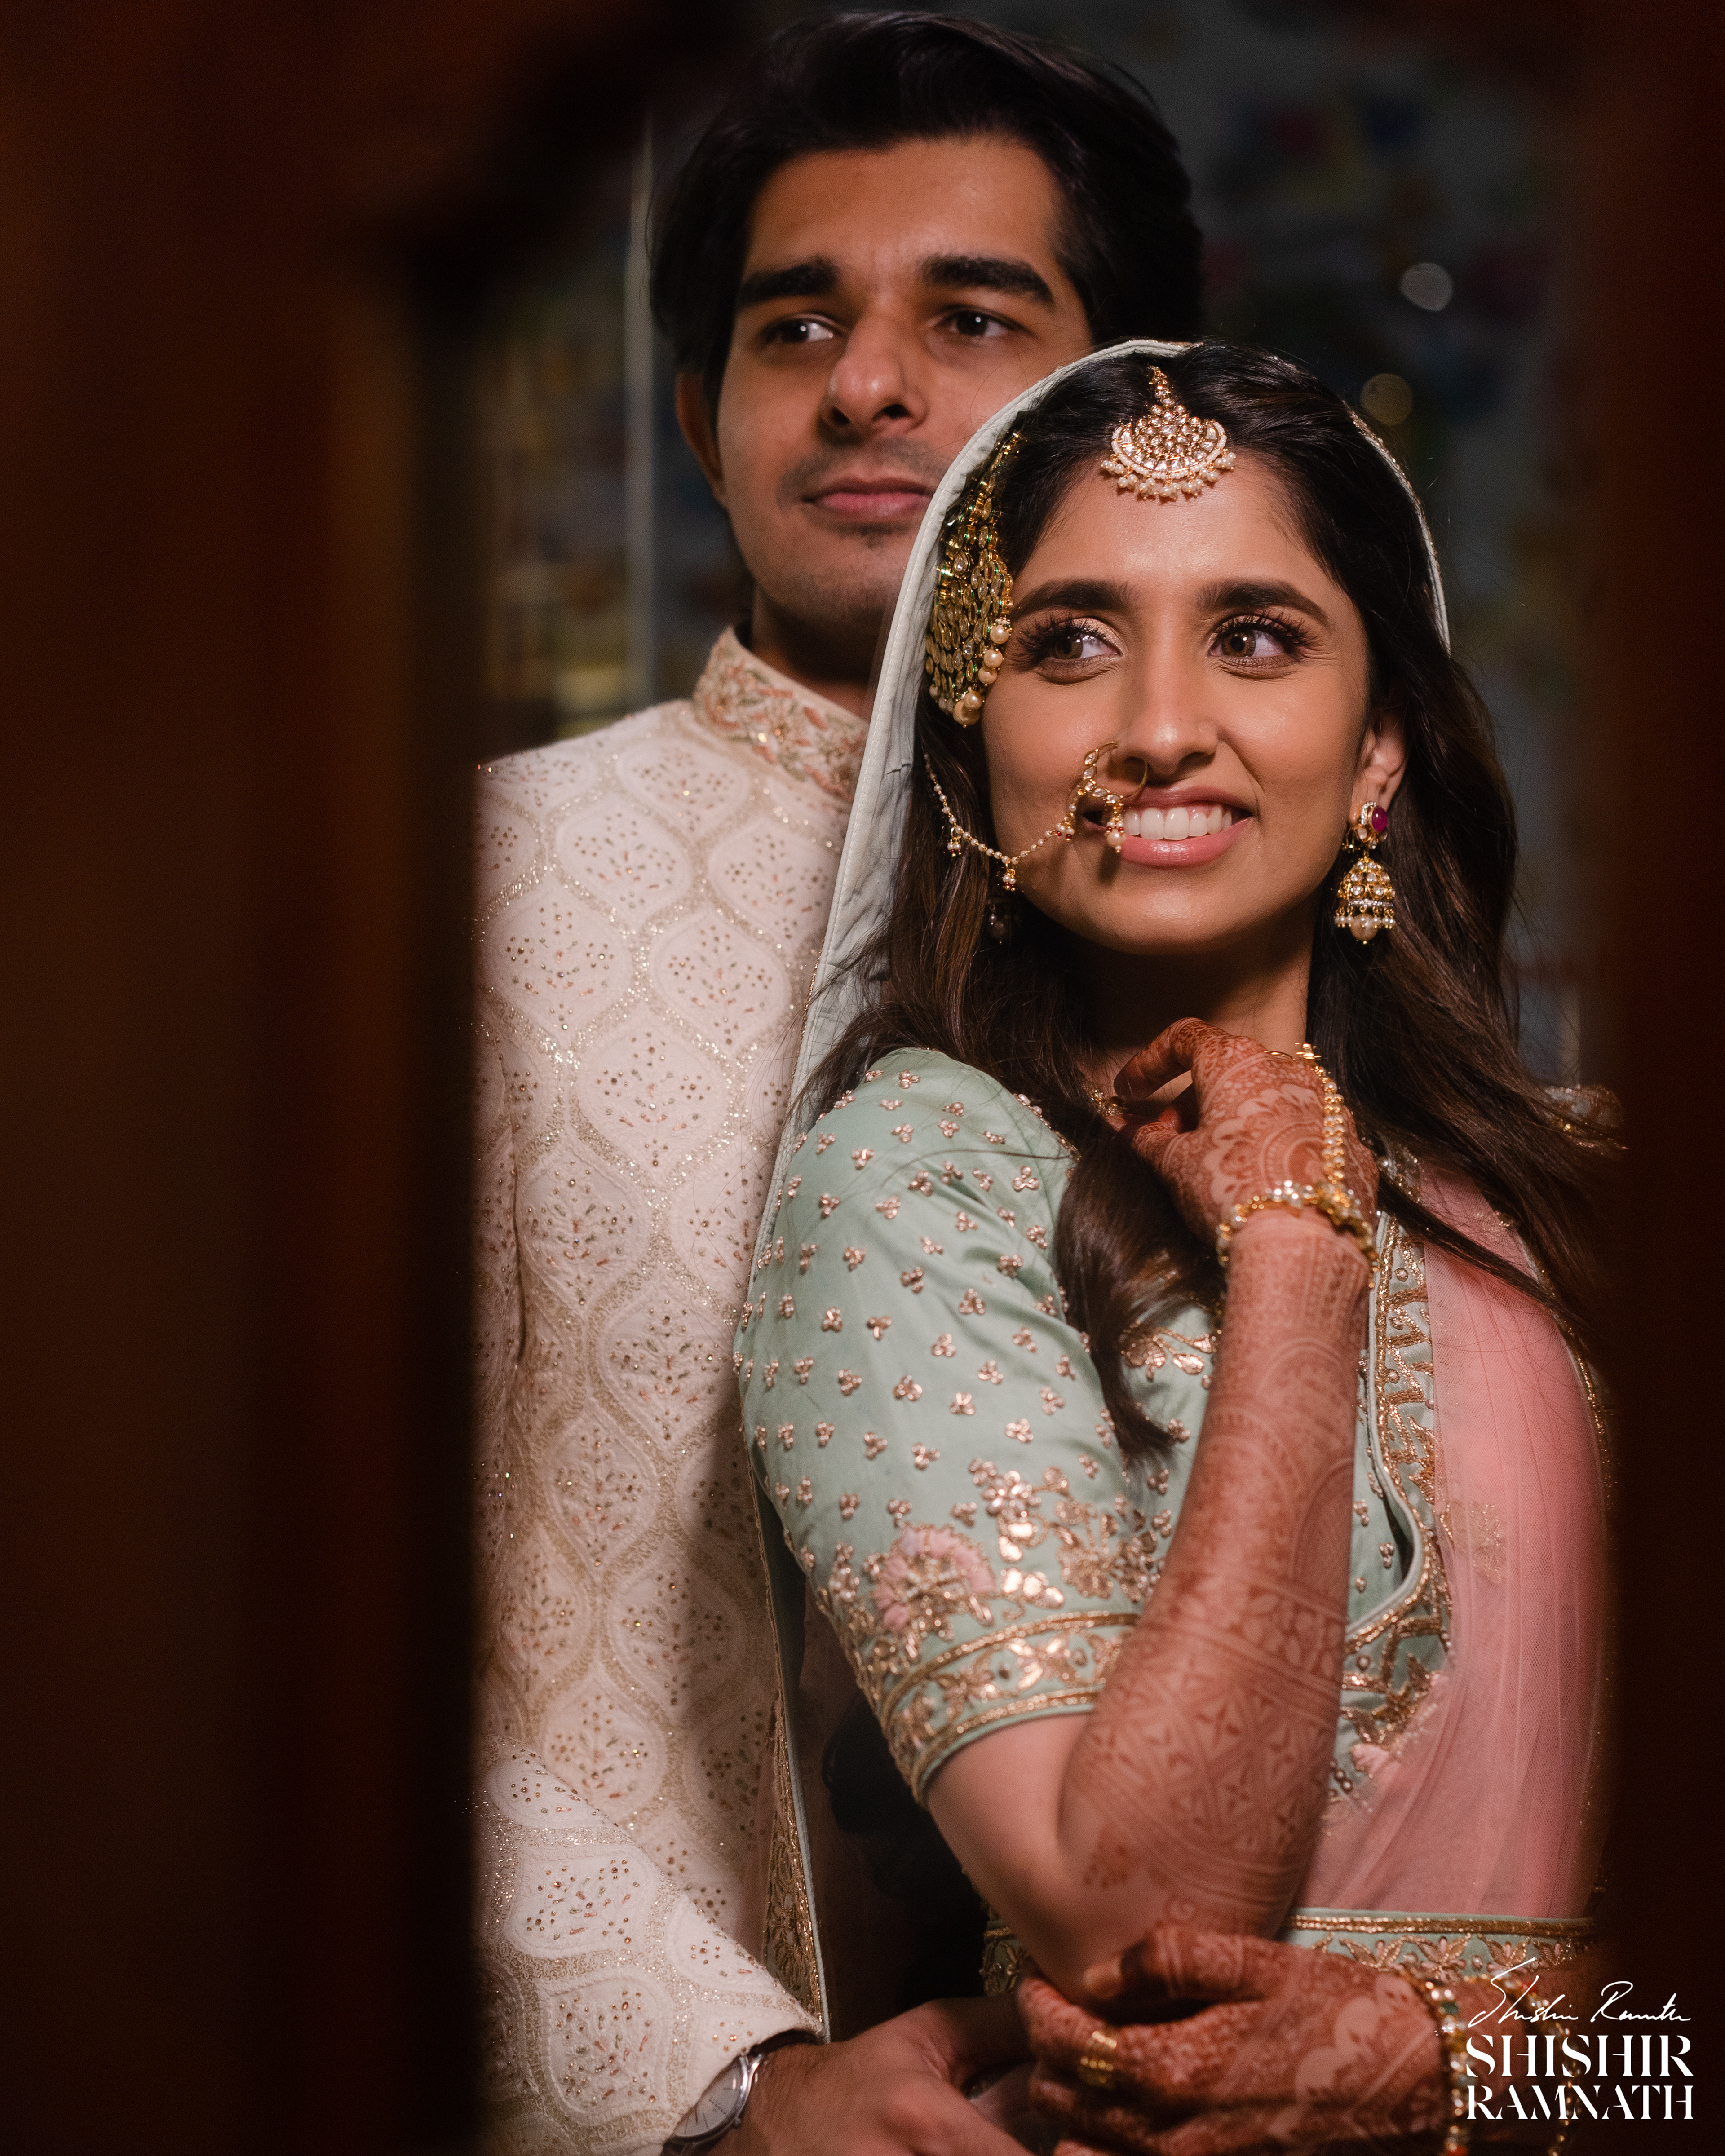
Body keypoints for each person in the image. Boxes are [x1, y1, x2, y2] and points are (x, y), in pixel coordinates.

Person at [741, 339, 1614, 2146]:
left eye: (1258, 634)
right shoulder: (918, 1186)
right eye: (1068, 640)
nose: (1155, 723)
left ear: (1380, 754)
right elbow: (1143, 1921)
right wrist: (1295, 1248)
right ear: (974, 748)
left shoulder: (1582, 1218)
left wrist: (1457, 2056)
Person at [471, 18, 1202, 2153]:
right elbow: (272, 1618)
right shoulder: (476, 897)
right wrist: (727, 2090)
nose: (871, 384)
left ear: (1135, 414)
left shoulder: (1267, 923)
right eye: (799, 326)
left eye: (971, 316)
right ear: (702, 417)